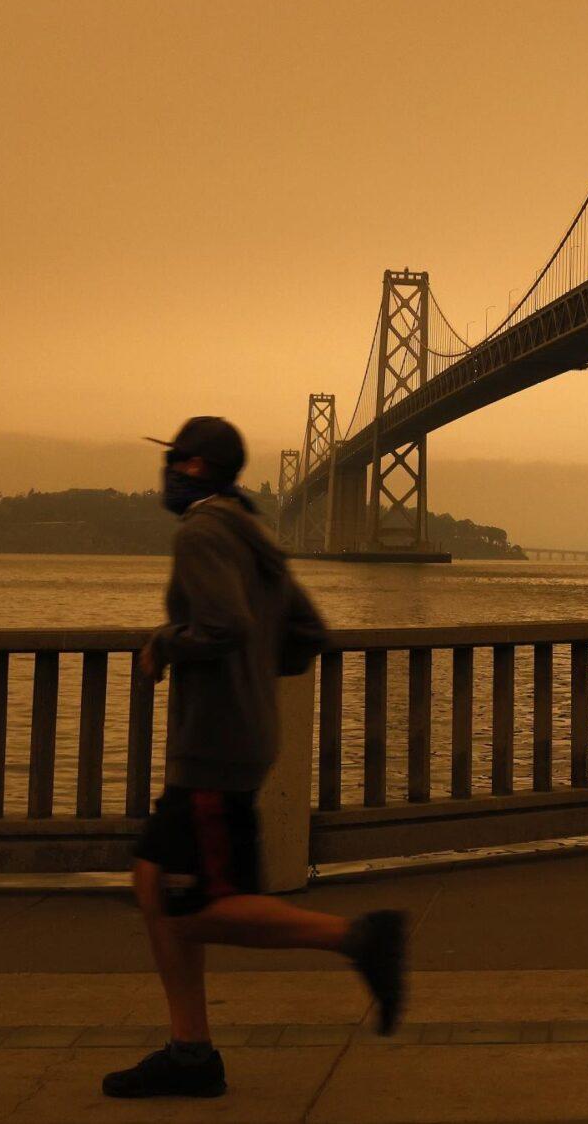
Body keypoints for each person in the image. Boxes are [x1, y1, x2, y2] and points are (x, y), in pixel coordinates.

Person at [102, 415, 408, 1101]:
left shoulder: (205, 532)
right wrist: (252, 680)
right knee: (154, 881)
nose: (168, 470)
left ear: (198, 468)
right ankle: (190, 1052)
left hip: (213, 744)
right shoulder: (256, 533)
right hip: (239, 734)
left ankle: (359, 939)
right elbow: (307, 632)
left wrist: (166, 644)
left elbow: (222, 626)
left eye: (176, 457)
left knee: (199, 904)